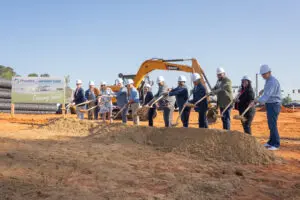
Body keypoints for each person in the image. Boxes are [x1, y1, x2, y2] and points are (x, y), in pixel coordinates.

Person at [254, 64, 281, 150]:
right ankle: (271, 141)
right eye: (262, 75)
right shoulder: (268, 80)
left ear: (269, 72)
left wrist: (256, 101)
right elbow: (267, 91)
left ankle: (275, 144)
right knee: (271, 124)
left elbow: (266, 96)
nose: (263, 76)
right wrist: (263, 90)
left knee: (273, 124)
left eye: (264, 74)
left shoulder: (272, 82)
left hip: (274, 104)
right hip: (270, 104)